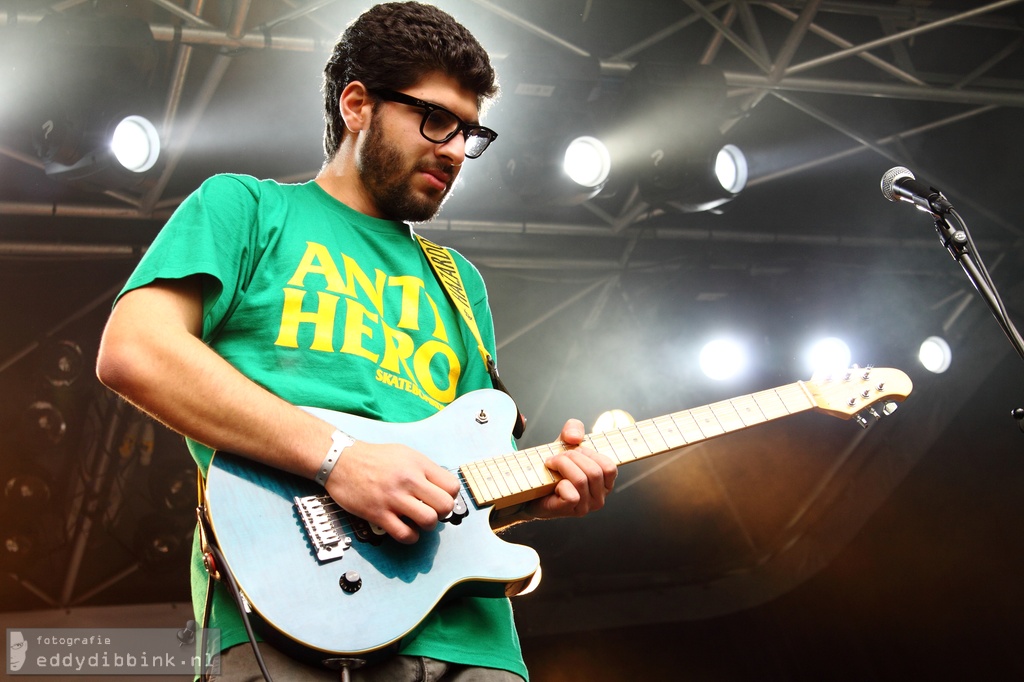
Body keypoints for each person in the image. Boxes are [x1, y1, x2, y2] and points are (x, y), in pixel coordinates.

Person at [95, 2, 617, 681]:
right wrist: (339, 459)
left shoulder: (459, 283)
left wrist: (542, 494)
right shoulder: (247, 209)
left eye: (470, 133)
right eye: (435, 120)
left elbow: (459, 489)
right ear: (356, 105)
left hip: (470, 644)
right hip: (291, 622)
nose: (457, 150)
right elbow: (135, 351)